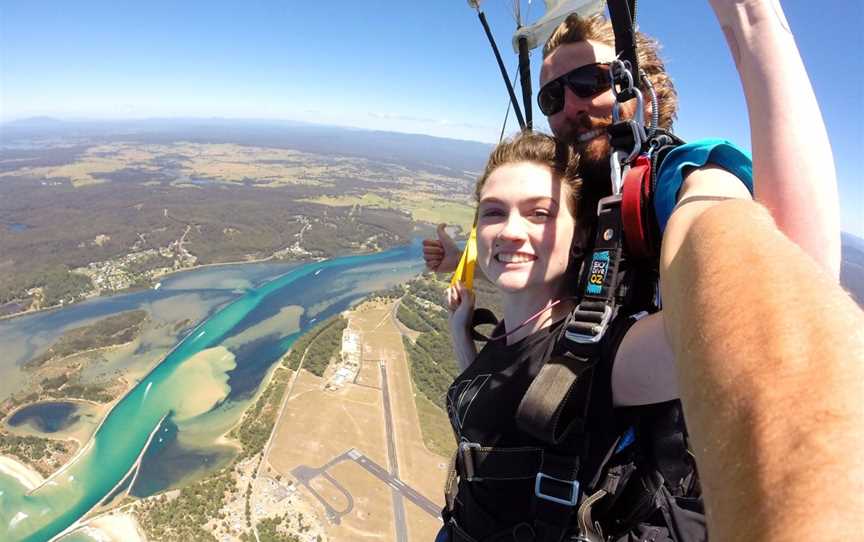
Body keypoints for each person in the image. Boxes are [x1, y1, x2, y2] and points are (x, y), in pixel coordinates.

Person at [428, 0, 845, 540]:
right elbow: (543, 248)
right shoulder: (583, 186)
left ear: (639, 87)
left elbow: (785, 279)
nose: (569, 107)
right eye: (552, 95)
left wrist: (755, 22)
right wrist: (467, 254)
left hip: (636, 480)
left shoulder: (668, 175)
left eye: (588, 82)